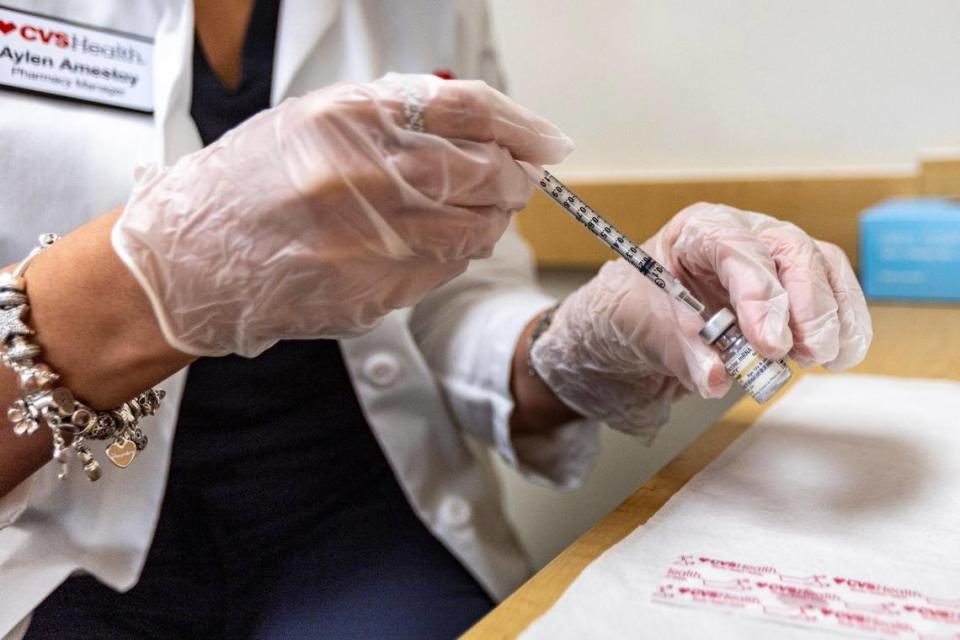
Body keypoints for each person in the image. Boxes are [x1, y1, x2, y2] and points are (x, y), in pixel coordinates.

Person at [0, 1, 873, 638]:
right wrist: (137, 280)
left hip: (351, 519)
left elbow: (451, 296)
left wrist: (581, 343)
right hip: (46, 554)